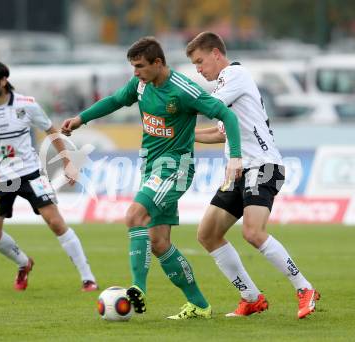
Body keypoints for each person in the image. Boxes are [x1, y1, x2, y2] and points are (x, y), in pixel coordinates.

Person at [61, 37, 243, 319]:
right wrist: (81, 118)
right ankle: (200, 305)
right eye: (133, 67)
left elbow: (226, 117)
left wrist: (235, 157)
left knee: (134, 216)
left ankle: (138, 287)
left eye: (140, 66)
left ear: (158, 63)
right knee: (159, 243)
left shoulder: (183, 90)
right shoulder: (141, 84)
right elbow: (114, 101)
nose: (135, 72)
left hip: (175, 169)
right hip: (151, 169)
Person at [186, 32, 320, 319]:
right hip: (239, 170)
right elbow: (218, 132)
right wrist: (183, 135)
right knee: (207, 234)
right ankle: (251, 297)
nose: (198, 69)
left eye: (200, 61)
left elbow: (210, 108)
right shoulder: (229, 88)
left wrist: (174, 109)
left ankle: (304, 288)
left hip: (263, 166)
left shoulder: (235, 74)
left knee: (252, 232)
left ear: (216, 54)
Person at [0, 61, 98, 292]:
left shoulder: (28, 105)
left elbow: (51, 131)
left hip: (30, 173)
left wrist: (68, 162)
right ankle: (24, 263)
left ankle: (88, 278)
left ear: (3, 81)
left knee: (55, 221)